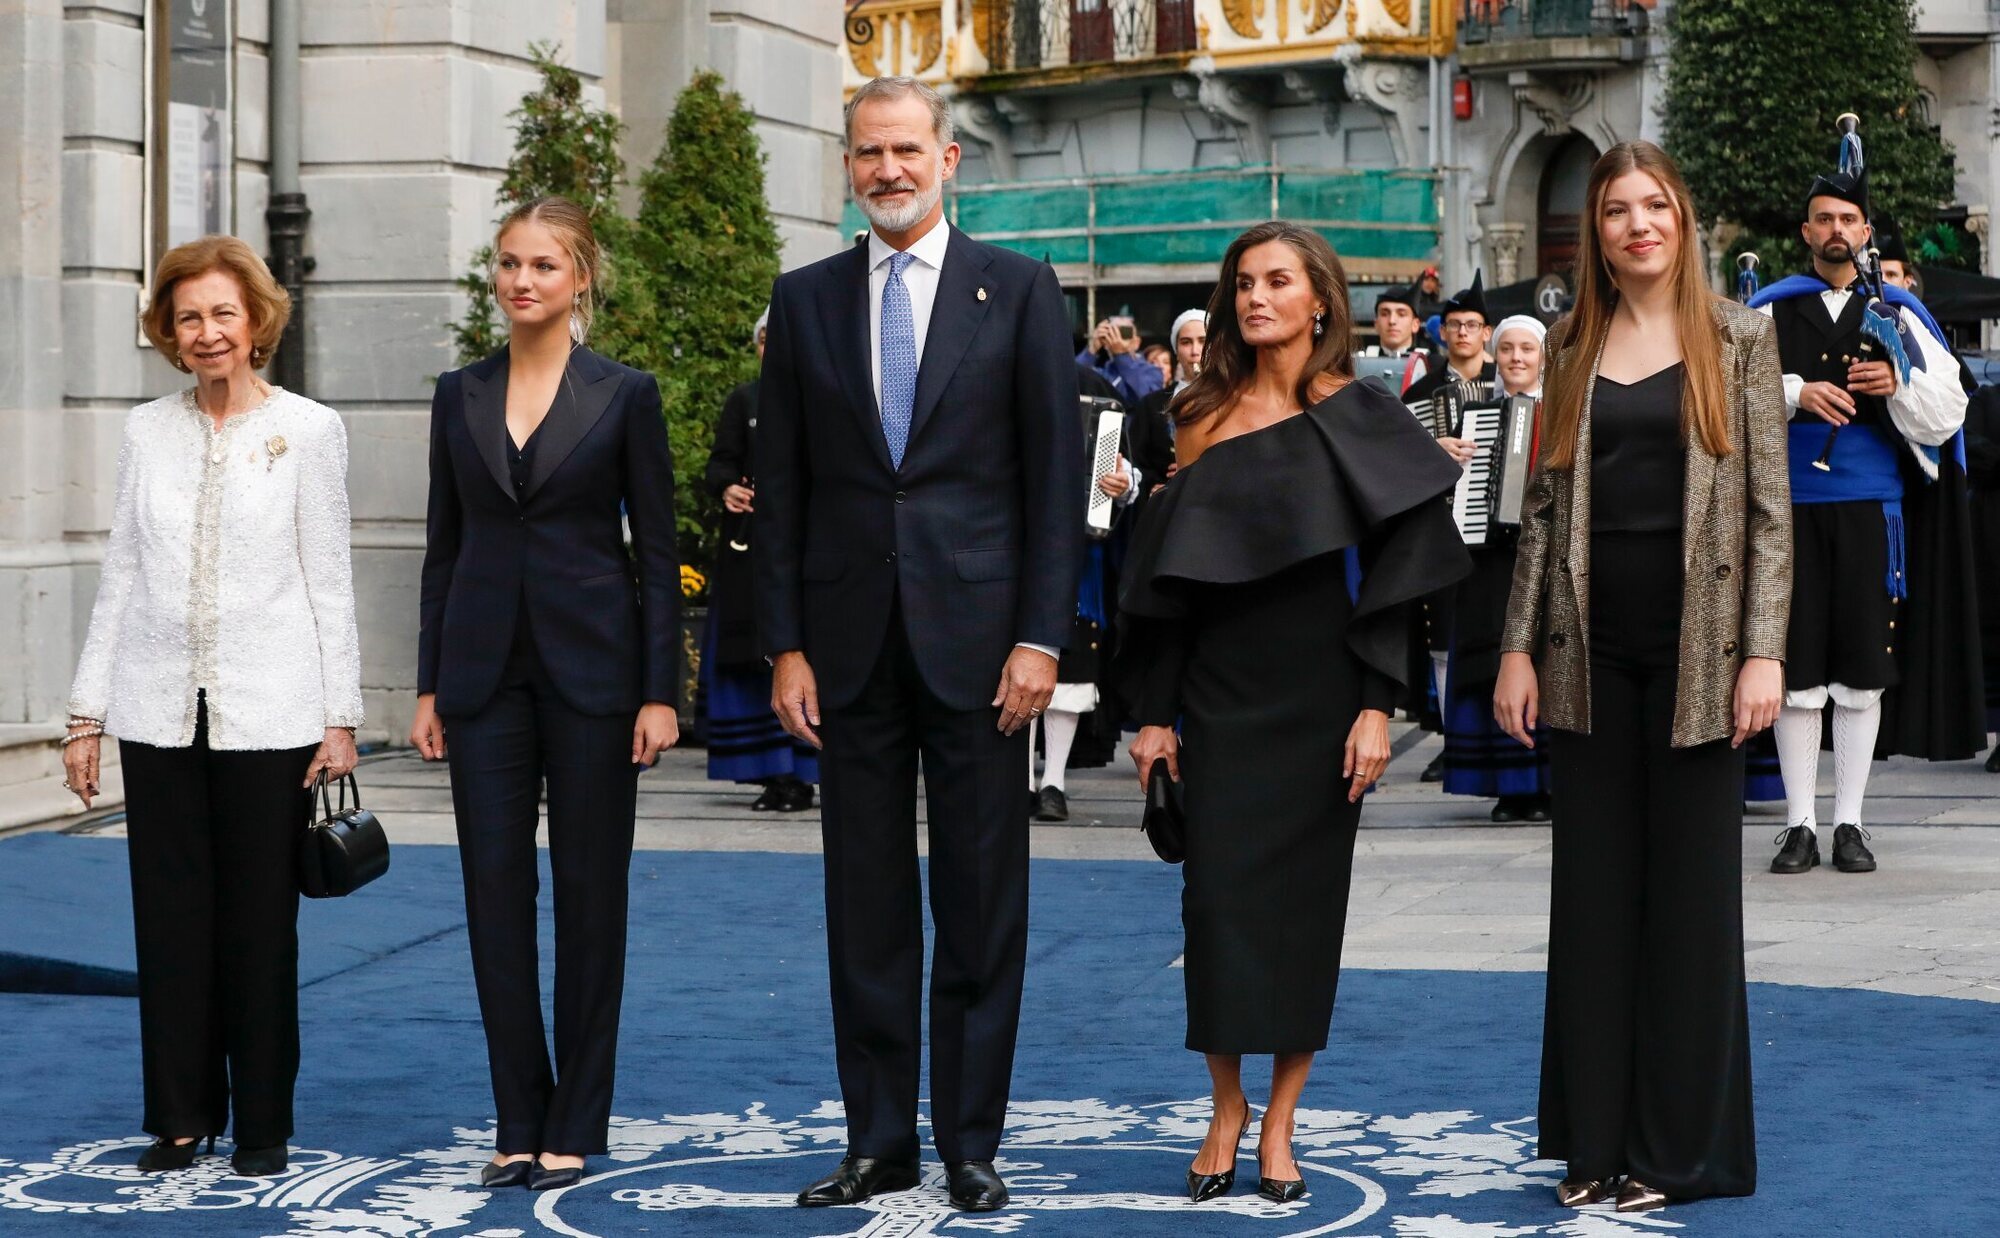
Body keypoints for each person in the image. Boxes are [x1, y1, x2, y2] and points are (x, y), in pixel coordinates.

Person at [754, 76, 1081, 1214]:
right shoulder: (802, 304)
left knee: (983, 901)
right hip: (846, 652)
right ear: (845, 166)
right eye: (865, 153)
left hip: (985, 647)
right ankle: (877, 1138)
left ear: (949, 159)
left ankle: (970, 1140)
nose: (885, 169)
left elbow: (1053, 484)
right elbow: (782, 493)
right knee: (866, 905)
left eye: (905, 149)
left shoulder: (1022, 290)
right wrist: (783, 645)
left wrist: (1043, 633)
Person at [1122, 221, 1468, 1206]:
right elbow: (1165, 585)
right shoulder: (1193, 415)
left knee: (1302, 919)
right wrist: (1153, 716)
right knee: (1217, 910)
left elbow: (1404, 569)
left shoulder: (1358, 411)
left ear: (1319, 299)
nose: (1256, 297)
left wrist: (1374, 707)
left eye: (1277, 281)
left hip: (1322, 694)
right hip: (1217, 698)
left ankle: (1278, 1122)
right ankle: (1223, 1105)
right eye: (1243, 283)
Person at [1495, 140, 1788, 1213]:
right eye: (1614, 209)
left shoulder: (1740, 339)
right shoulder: (1571, 340)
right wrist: (1515, 644)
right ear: (1595, 231)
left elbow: (1766, 511)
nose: (1635, 225)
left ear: (1681, 218)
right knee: (1591, 902)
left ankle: (1674, 1152)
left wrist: (1762, 649)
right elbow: (1538, 513)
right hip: (1583, 654)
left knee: (1688, 904)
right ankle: (1590, 1142)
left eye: (1652, 204)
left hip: (1701, 656)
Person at [63, 235, 362, 1178]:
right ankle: (182, 1119)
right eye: (189, 317)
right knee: (171, 926)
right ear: (168, 330)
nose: (207, 333)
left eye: (223, 314)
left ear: (257, 320)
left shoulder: (310, 431)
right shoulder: (144, 430)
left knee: (260, 928)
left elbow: (330, 583)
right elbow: (121, 573)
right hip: (156, 713)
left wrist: (340, 716)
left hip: (270, 713)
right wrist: (86, 714)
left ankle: (263, 1124)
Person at [411, 196, 681, 1191]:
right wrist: (430, 680)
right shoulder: (458, 393)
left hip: (598, 677)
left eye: (543, 264)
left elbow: (656, 551)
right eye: (510, 263)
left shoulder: (624, 393)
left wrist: (662, 690)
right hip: (481, 678)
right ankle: (516, 1114)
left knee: (588, 894)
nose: (523, 280)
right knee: (492, 896)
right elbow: (444, 548)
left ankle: (577, 1115)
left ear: (579, 280)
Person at [1748, 169, 1976, 876]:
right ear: (1806, 232)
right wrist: (1793, 391)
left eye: (1848, 219)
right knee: (1795, 670)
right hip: (1787, 515)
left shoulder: (1899, 314)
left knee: (1862, 668)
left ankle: (1848, 821)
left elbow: (1948, 412)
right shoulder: (1767, 312)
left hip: (1874, 517)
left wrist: (1898, 381)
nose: (1836, 230)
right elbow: (1723, 397)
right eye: (1823, 219)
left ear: (1865, 232)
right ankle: (1798, 825)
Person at [700, 310, 818, 811]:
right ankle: (772, 774)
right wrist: (726, 488)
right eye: (765, 339)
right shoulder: (743, 399)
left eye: (781, 338)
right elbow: (719, 463)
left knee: (809, 659)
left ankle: (808, 770)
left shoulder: (824, 396)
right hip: (750, 555)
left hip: (812, 554)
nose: (772, 347)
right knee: (754, 660)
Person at [1439, 315, 1554, 822]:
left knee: (1546, 667)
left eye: (1527, 349)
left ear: (1543, 357)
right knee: (1489, 663)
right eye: (1507, 349)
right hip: (1489, 561)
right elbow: (1456, 498)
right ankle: (1508, 786)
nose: (1516, 358)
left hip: (1547, 562)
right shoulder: (1475, 416)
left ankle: (1547, 782)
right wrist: (1449, 465)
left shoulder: (1564, 414)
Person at [1405, 273, 1496, 777]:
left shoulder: (1512, 378)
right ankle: (1452, 734)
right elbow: (1395, 464)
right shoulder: (1421, 392)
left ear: (1487, 331)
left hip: (1500, 532)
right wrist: (1430, 450)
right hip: (1442, 527)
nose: (1463, 333)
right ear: (1442, 333)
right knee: (1443, 632)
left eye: (1472, 325)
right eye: (1455, 325)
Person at [1128, 309, 1205, 490]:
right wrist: (1154, 487)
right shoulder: (1151, 404)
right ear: (1176, 351)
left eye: (1203, 341)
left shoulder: (1233, 398)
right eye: (1186, 342)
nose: (1195, 351)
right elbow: (1136, 463)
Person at [1078, 313, 1164, 402]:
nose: (1117, 339)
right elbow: (1073, 380)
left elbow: (1148, 400)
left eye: (1124, 333)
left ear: (1137, 342)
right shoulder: (1102, 372)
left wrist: (1122, 356)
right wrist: (1092, 349)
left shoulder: (1152, 371)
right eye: (1112, 333)